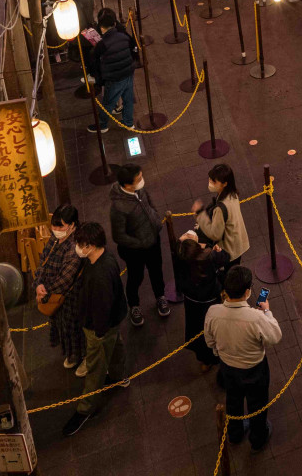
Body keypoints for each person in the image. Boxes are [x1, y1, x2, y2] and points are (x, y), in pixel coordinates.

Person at [202, 265, 282, 450]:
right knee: (258, 404)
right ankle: (258, 437)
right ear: (247, 292)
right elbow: (275, 336)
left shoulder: (213, 312)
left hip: (228, 368)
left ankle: (235, 434)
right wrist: (267, 311)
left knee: (233, 401)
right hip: (255, 369)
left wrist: (220, 354)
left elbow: (209, 341)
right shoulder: (255, 317)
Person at [61, 223, 127, 436]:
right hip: (113, 322)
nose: (77, 248)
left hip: (100, 328)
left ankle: (86, 409)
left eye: (80, 244)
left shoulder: (99, 275)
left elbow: (102, 307)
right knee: (116, 345)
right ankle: (117, 376)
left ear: (89, 246)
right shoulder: (105, 258)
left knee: (95, 367)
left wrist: (98, 332)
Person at [108, 163, 169, 326]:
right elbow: (118, 235)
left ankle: (160, 296)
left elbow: (149, 203)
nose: (142, 180)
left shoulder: (139, 190)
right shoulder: (118, 207)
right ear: (127, 184)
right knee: (136, 277)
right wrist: (140, 243)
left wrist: (156, 220)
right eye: (139, 179)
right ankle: (134, 305)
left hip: (153, 241)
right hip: (134, 251)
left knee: (156, 271)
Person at [34, 205, 86, 371]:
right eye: (54, 226)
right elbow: (43, 261)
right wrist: (38, 284)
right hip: (53, 294)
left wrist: (45, 292)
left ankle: (81, 356)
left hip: (71, 298)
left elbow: (65, 279)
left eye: (60, 226)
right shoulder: (55, 239)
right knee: (63, 327)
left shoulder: (74, 246)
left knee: (74, 329)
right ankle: (72, 353)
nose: (56, 229)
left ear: (72, 225)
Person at [175, 231, 231, 371]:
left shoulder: (181, 257)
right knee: (215, 329)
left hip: (192, 303)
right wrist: (215, 249)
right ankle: (220, 356)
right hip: (211, 301)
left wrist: (183, 240)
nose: (188, 234)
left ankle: (205, 361)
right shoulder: (209, 256)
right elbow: (226, 257)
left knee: (198, 331)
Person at [192, 162, 251, 264]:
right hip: (239, 242)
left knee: (230, 275)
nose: (210, 183)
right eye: (210, 179)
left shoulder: (220, 208)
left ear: (225, 183)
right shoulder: (233, 194)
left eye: (214, 182)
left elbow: (215, 234)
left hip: (229, 249)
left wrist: (200, 216)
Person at [92, 7, 140, 131]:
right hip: (128, 72)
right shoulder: (123, 35)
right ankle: (128, 123)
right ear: (114, 23)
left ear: (100, 26)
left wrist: (98, 81)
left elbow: (96, 62)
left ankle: (102, 125)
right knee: (128, 99)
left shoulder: (102, 44)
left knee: (108, 103)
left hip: (114, 78)